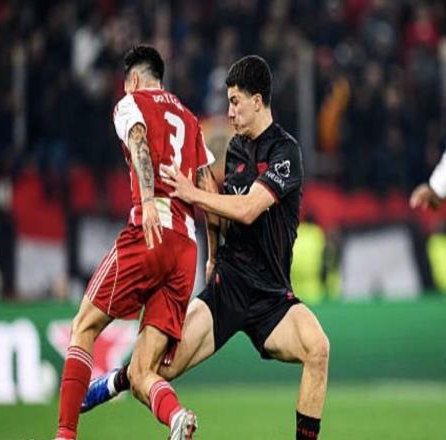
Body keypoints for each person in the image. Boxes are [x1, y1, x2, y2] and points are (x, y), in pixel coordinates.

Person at [82, 55, 330, 440]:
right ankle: (115, 381)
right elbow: (221, 212)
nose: (229, 112)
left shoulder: (285, 152)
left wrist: (192, 193)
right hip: (228, 286)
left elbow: (248, 209)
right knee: (155, 371)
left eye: (235, 102)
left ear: (257, 101)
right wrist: (213, 254)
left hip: (271, 296)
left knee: (318, 349)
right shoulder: (235, 151)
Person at [54, 45, 214, 440]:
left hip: (151, 230)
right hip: (186, 249)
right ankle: (177, 416)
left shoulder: (130, 103)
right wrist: (214, 253)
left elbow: (139, 140)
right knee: (143, 370)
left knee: (83, 326)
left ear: (135, 79)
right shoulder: (190, 119)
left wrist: (146, 201)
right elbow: (208, 187)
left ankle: (65, 435)